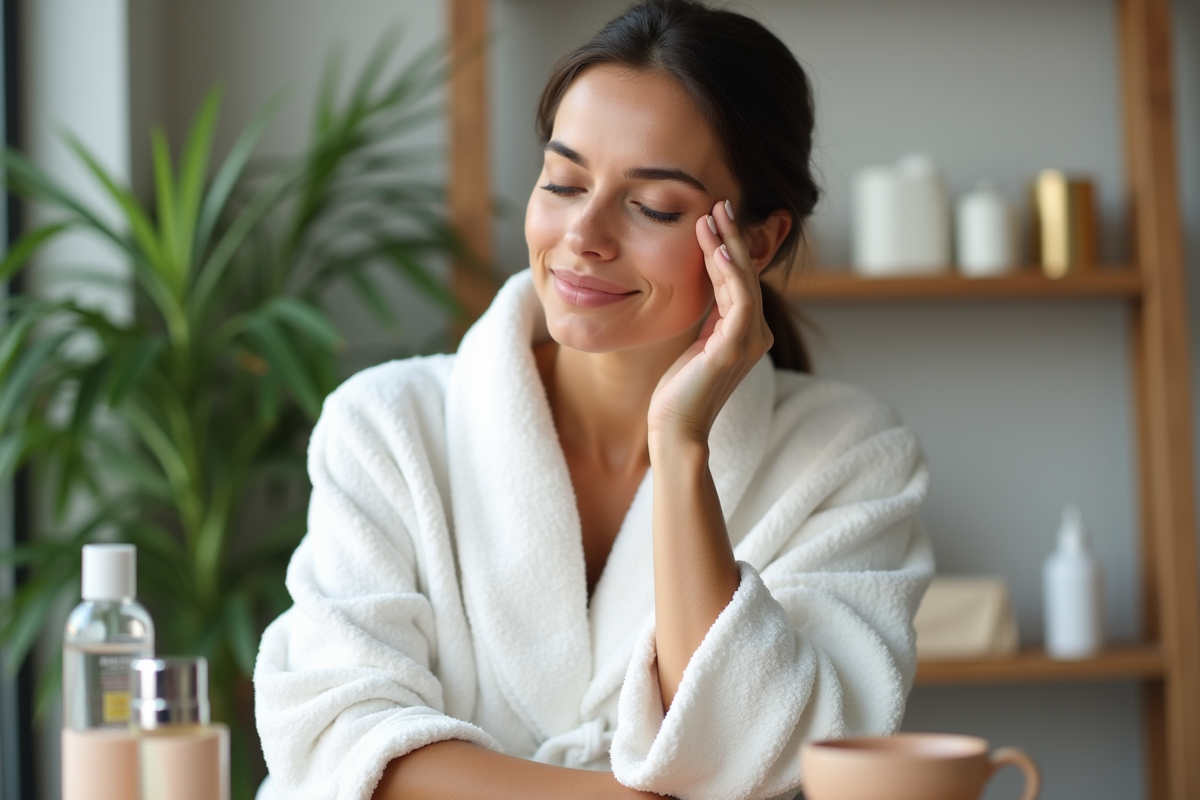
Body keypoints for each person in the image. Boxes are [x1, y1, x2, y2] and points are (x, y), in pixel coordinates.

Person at [254, 2, 933, 799]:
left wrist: (683, 451)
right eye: (564, 182)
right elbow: (341, 739)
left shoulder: (848, 456)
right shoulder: (387, 426)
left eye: (652, 207)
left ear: (756, 242)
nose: (584, 233)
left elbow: (767, 751)